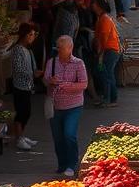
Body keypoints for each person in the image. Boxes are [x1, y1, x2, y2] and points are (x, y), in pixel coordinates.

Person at [44, 35, 88, 178]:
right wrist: (51, 81)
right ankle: (62, 164)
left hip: (74, 106)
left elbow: (84, 84)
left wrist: (68, 86)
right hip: (55, 106)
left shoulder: (78, 63)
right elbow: (45, 81)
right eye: (58, 47)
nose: (59, 50)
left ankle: (72, 164)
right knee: (58, 137)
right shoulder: (52, 62)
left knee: (69, 134)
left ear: (70, 48)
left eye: (61, 48)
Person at [11, 22, 39, 151]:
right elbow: (18, 69)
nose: (32, 37)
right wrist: (32, 74)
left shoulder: (28, 50)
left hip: (27, 86)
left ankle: (22, 135)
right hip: (19, 86)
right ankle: (18, 138)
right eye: (30, 34)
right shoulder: (17, 49)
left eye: (33, 35)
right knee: (22, 112)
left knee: (26, 112)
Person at [91, 0, 121, 108]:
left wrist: (100, 53)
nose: (91, 6)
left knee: (107, 75)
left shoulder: (104, 19)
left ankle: (109, 99)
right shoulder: (102, 18)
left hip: (110, 50)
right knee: (107, 74)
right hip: (110, 50)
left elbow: (103, 38)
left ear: (98, 5)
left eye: (93, 3)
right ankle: (110, 98)